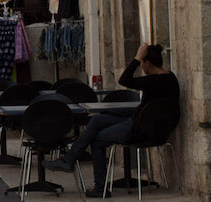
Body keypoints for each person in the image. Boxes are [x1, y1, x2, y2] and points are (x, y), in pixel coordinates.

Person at [46, 43, 180, 197]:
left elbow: (124, 80)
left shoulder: (152, 80)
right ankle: (68, 159)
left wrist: (137, 58)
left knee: (97, 140)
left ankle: (100, 188)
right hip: (144, 124)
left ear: (147, 63)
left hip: (140, 129)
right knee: (96, 121)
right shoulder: (171, 78)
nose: (141, 67)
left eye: (142, 64)